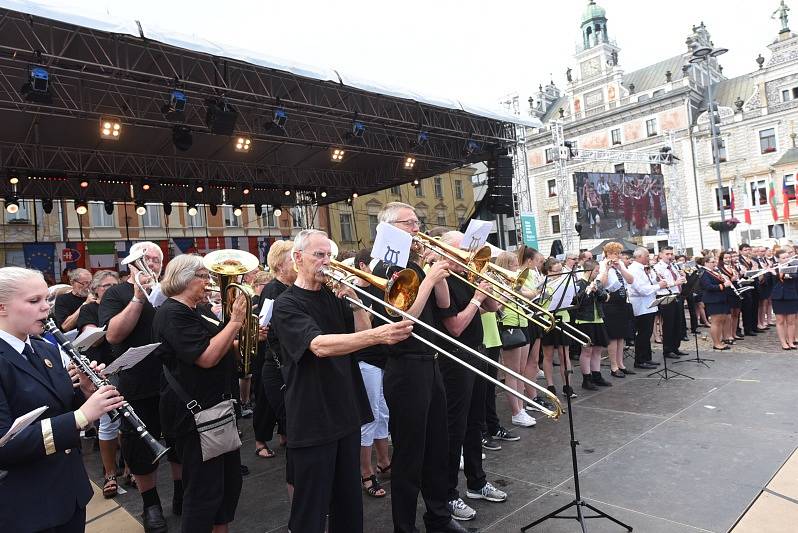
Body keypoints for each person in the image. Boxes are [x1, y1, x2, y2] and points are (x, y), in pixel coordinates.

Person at [272, 229, 413, 533]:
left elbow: (360, 334)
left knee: (348, 503)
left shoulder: (333, 296)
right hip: (312, 416)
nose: (327, 261)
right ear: (298, 259)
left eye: (329, 255)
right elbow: (320, 346)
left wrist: (356, 302)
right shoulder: (287, 304)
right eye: (319, 255)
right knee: (310, 507)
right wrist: (378, 334)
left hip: (345, 409)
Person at [0, 267, 124, 532]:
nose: (46, 308)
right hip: (24, 506)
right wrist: (82, 416)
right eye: (34, 301)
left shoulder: (46, 348)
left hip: (68, 494)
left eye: (46, 299)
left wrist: (87, 394)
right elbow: (4, 445)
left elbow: (59, 409)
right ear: (2, 307)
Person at [371, 203, 468, 533]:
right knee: (410, 454)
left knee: (437, 447)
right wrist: (427, 279)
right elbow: (402, 316)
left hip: (430, 361)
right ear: (390, 227)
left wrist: (437, 270)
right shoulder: (385, 266)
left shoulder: (416, 263)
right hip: (405, 366)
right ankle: (404, 526)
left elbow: (442, 306)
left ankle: (438, 517)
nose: (417, 227)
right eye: (409, 223)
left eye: (417, 222)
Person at [151, 255, 244, 533]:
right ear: (183, 279)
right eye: (203, 276)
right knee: (204, 494)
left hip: (215, 409)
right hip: (194, 416)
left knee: (225, 489)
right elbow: (206, 357)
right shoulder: (172, 313)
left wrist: (241, 336)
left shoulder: (195, 309)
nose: (209, 282)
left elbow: (218, 344)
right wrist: (235, 322)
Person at [99, 241, 178, 531]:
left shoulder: (168, 292)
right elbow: (114, 335)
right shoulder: (115, 294)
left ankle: (181, 492)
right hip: (137, 383)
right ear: (131, 263)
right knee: (141, 449)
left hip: (173, 379)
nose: (152, 265)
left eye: (156, 260)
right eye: (146, 260)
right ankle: (151, 504)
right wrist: (137, 296)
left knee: (179, 439)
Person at [436, 231, 506, 523]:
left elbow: (496, 308)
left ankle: (477, 482)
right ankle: (449, 493)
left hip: (477, 352)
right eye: (463, 250)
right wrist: (477, 298)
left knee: (475, 423)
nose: (468, 254)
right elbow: (454, 326)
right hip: (455, 359)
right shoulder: (441, 281)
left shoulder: (467, 276)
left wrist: (486, 290)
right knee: (455, 426)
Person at [76, 270, 122, 498]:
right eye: (106, 286)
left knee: (131, 425)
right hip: (102, 371)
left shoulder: (121, 306)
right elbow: (89, 335)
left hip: (127, 367)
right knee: (108, 424)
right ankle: (110, 472)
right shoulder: (89, 309)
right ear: (95, 290)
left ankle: (132, 468)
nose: (112, 288)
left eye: (115, 285)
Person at [351, 248, 392, 499]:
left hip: (383, 359)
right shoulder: (352, 292)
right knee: (369, 416)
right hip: (365, 361)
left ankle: (384, 462)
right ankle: (366, 473)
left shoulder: (380, 289)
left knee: (383, 413)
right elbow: (359, 330)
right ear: (363, 266)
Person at [253, 245, 293, 460]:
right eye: (292, 259)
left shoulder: (288, 286)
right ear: (279, 265)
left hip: (283, 356)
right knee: (268, 401)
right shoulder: (273, 289)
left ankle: (283, 435)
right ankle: (260, 440)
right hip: (274, 356)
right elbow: (266, 324)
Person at [493, 251, 535, 427]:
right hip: (507, 323)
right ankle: (516, 412)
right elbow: (495, 306)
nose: (517, 267)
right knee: (512, 371)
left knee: (520, 370)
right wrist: (507, 293)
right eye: (513, 265)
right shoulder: (495, 281)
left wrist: (517, 289)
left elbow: (531, 294)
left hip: (521, 321)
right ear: (506, 265)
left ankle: (521, 407)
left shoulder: (512, 280)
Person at [539, 258, 576, 398]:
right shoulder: (543, 283)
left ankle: (568, 386)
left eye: (561, 270)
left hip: (563, 318)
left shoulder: (565, 281)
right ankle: (550, 386)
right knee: (548, 355)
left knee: (564, 354)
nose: (560, 274)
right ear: (548, 271)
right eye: (557, 271)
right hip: (547, 320)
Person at [573, 259, 612, 389]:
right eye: (596, 271)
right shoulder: (579, 283)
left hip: (598, 319)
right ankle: (586, 379)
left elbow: (606, 297)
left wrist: (597, 290)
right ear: (589, 271)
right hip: (584, 320)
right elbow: (577, 302)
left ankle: (597, 375)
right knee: (587, 350)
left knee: (598, 349)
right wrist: (588, 291)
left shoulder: (595, 282)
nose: (597, 273)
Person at [628, 247, 668, 369]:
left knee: (648, 333)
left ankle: (647, 357)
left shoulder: (644, 269)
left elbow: (648, 284)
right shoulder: (634, 269)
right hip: (641, 306)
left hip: (649, 304)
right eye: (646, 256)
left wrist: (655, 279)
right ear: (639, 257)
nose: (649, 259)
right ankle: (640, 360)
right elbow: (641, 289)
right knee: (642, 334)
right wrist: (658, 286)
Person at [601, 243, 635, 378]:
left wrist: (621, 267)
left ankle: (621, 364)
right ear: (609, 253)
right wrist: (607, 268)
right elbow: (602, 284)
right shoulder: (603, 264)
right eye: (617, 253)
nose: (619, 256)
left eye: (619, 253)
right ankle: (613, 366)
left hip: (622, 303)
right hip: (611, 304)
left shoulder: (620, 265)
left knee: (621, 336)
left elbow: (631, 280)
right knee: (613, 337)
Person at [653, 246, 688, 359]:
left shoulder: (673, 265)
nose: (670, 256)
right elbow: (660, 283)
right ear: (661, 255)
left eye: (671, 254)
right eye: (667, 254)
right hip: (665, 297)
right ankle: (667, 350)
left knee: (678, 323)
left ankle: (675, 347)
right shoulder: (657, 268)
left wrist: (683, 277)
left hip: (677, 296)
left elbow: (679, 280)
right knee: (668, 324)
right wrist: (675, 282)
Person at [700, 256, 732, 350]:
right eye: (712, 262)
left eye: (715, 262)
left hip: (721, 298)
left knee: (721, 321)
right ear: (706, 263)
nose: (715, 264)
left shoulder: (714, 271)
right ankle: (716, 343)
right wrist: (723, 285)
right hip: (713, 299)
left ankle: (719, 340)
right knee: (715, 322)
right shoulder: (704, 272)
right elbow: (708, 286)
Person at [771, 249, 798, 350]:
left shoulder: (794, 267)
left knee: (791, 321)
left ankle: (791, 341)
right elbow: (769, 282)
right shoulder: (773, 268)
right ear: (778, 259)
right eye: (783, 258)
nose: (786, 259)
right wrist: (771, 273)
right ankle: (783, 342)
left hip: (791, 295)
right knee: (780, 320)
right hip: (777, 296)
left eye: (787, 257)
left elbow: (794, 276)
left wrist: (784, 274)